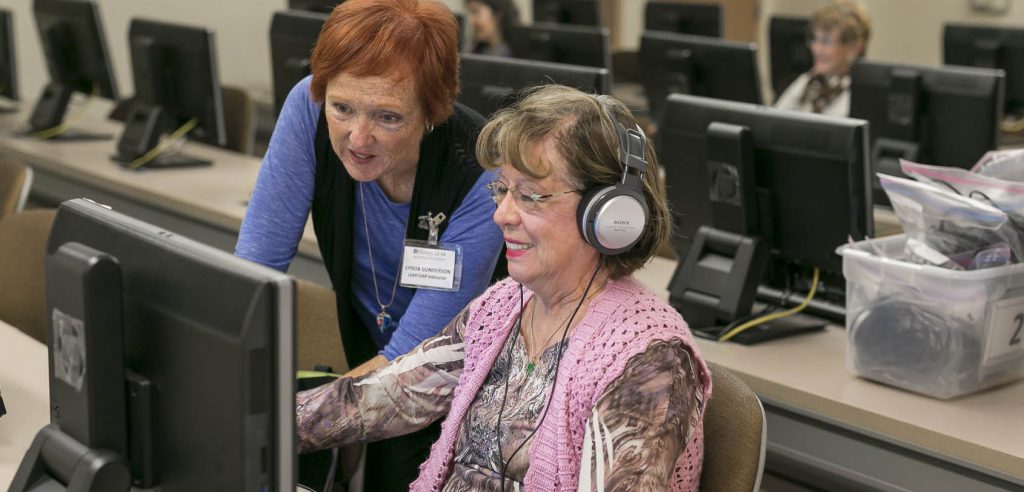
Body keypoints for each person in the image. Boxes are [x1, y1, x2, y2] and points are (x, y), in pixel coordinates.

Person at [295, 85, 713, 491]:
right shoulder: (502, 307)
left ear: (610, 215)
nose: (502, 215)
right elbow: (389, 396)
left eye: (530, 196)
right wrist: (258, 420)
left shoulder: (648, 362)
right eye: (502, 190)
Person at [235, 0, 504, 489]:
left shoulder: (480, 175)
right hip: (366, 346)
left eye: (388, 117)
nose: (358, 138)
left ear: (432, 111)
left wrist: (271, 422)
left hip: (457, 384)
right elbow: (251, 272)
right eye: (343, 108)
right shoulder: (308, 108)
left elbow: (412, 363)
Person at [774, 0, 871, 117]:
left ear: (854, 48)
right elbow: (774, 118)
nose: (816, 49)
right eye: (815, 39)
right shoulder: (807, 81)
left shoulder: (859, 96)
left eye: (826, 42)